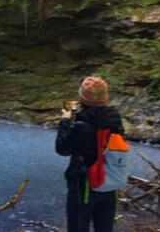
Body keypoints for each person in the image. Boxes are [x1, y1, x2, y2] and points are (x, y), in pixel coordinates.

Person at [55, 76, 125, 232]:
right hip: (110, 180)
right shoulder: (115, 120)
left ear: (83, 99)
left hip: (85, 183)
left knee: (78, 227)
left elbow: (62, 148)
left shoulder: (82, 125)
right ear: (105, 97)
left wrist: (65, 121)